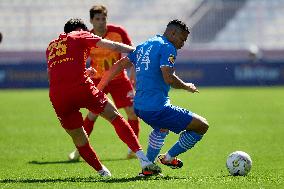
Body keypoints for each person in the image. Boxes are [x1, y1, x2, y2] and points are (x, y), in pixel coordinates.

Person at [46, 18, 161, 177]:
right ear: (80, 29)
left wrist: (84, 73)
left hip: (57, 96)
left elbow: (55, 74)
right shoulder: (80, 35)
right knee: (114, 116)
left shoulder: (51, 46)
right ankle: (144, 161)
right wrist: (136, 51)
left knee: (79, 138)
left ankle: (102, 172)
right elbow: (112, 45)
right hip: (81, 88)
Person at [97, 19, 209, 174]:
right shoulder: (168, 47)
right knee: (201, 126)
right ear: (173, 33)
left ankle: (148, 167)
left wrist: (100, 87)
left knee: (161, 128)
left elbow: (119, 65)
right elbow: (168, 78)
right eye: (182, 39)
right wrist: (186, 86)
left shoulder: (144, 45)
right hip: (157, 107)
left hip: (139, 107)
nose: (182, 44)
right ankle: (168, 158)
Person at [68, 5, 140, 161]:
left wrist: (133, 73)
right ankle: (78, 150)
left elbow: (133, 52)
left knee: (132, 112)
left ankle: (133, 149)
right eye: (97, 19)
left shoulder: (118, 32)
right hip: (98, 80)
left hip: (119, 79)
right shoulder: (87, 37)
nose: (101, 22)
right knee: (93, 114)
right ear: (91, 20)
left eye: (103, 18)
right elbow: (79, 61)